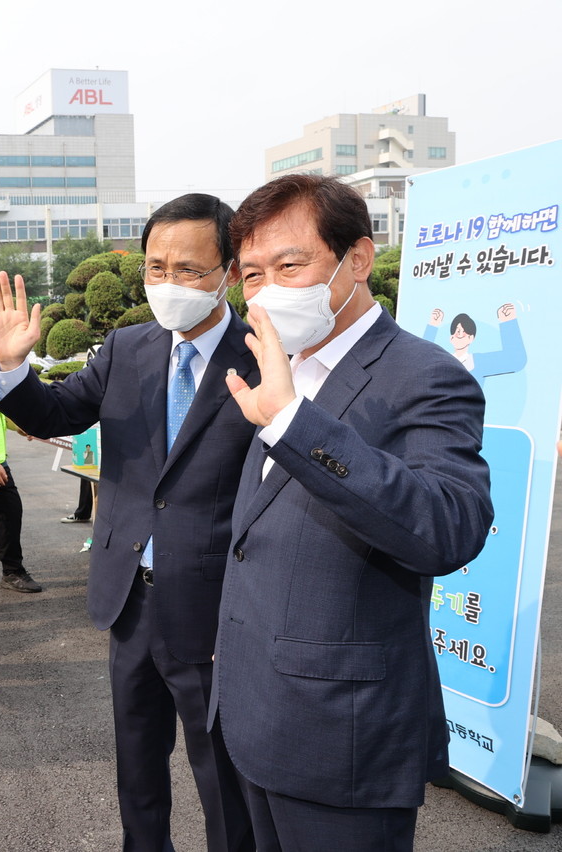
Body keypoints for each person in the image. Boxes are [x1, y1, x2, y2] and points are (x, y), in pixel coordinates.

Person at [216, 174, 493, 850]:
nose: (268, 288)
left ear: (358, 260)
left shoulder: (423, 375)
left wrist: (292, 422)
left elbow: (448, 524)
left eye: (291, 264)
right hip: (253, 713)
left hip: (341, 737)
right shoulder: (276, 366)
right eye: (252, 273)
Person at [0, 194, 257, 852]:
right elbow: (55, 415)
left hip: (217, 607)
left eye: (189, 269)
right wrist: (12, 367)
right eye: (156, 267)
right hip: (130, 596)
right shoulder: (127, 347)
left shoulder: (262, 356)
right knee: (137, 764)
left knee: (222, 774)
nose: (169, 283)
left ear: (227, 270)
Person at [0, 318, 42, 593]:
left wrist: (21, 425)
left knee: (6, 512)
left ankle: (12, 571)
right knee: (1, 513)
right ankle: (11, 572)